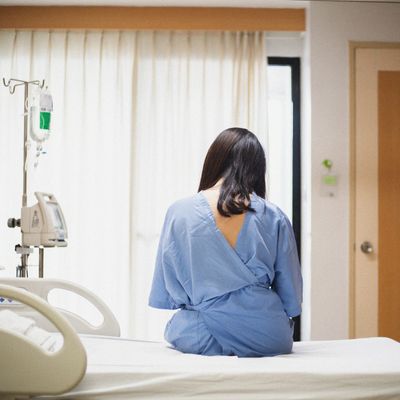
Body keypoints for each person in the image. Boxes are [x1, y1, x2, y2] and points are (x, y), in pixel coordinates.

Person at [149, 127, 302, 357]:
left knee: (177, 329)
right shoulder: (274, 216)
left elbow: (169, 287)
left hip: (197, 336)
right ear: (257, 169)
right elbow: (290, 295)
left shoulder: (179, 212)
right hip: (265, 335)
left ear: (214, 161)